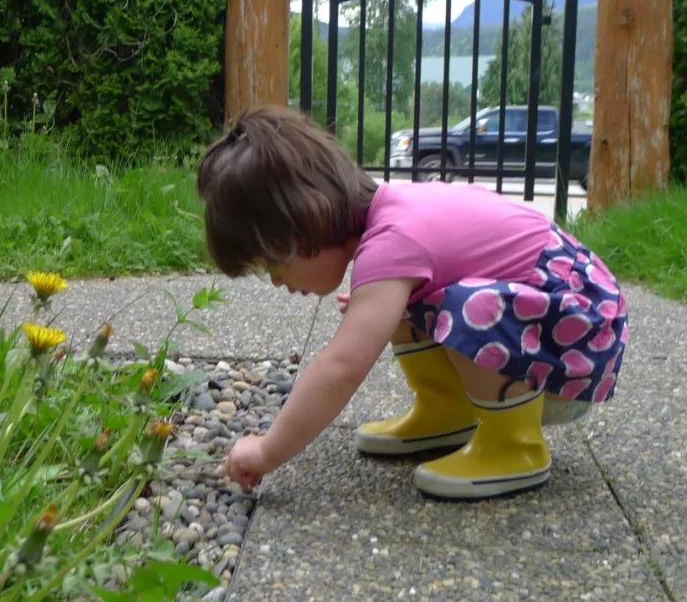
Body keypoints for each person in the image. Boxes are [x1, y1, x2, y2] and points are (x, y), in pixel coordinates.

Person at [196, 105, 628, 499]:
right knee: (404, 306)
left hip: (577, 343)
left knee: (471, 308)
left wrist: (268, 449)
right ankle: (447, 411)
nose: (275, 280)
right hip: (562, 322)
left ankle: (515, 446)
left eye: (274, 261)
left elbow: (341, 368)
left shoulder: (392, 243)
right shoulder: (391, 215)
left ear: (307, 220)